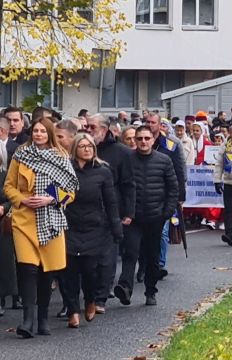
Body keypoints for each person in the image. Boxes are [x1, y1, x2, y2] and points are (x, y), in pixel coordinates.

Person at [4, 116, 78, 338]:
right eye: (35, 131)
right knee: (27, 269)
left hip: (51, 218)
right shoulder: (21, 155)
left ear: (49, 134)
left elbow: (71, 192)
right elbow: (8, 186)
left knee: (47, 271)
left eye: (43, 131)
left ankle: (43, 318)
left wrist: (50, 199)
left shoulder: (60, 157)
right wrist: (22, 200)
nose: (38, 134)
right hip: (24, 219)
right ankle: (28, 320)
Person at [116, 123, 180, 307]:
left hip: (155, 217)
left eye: (147, 138)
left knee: (152, 257)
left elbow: (173, 188)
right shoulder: (127, 160)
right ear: (135, 141)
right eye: (139, 139)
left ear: (153, 140)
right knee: (130, 252)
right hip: (133, 217)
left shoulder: (164, 160)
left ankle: (150, 291)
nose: (143, 142)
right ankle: (125, 287)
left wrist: (166, 212)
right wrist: (123, 211)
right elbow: (119, 187)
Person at [63, 133, 122, 325]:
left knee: (90, 270)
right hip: (69, 225)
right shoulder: (65, 169)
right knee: (69, 271)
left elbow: (110, 202)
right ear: (75, 149)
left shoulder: (103, 171)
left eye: (90, 146)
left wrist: (116, 227)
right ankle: (72, 310)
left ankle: (90, 299)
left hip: (94, 227)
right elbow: (53, 192)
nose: (87, 149)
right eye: (83, 146)